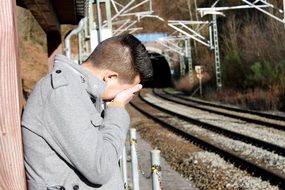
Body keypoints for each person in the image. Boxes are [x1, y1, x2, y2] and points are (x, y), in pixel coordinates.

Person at [21, 34, 153, 190]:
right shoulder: (63, 93)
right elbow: (100, 168)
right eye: (126, 90)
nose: (126, 96)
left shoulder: (80, 90)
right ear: (110, 77)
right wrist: (117, 109)